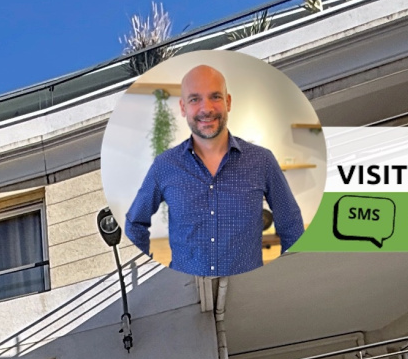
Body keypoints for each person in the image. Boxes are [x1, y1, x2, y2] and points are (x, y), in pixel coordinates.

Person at [124, 64, 304, 278]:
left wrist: (284, 279)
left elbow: (291, 225)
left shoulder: (262, 160)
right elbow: (134, 224)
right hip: (187, 292)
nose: (206, 109)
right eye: (194, 99)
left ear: (228, 102)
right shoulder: (164, 166)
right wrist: (159, 279)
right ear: (183, 107)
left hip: (249, 290)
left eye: (215, 97)